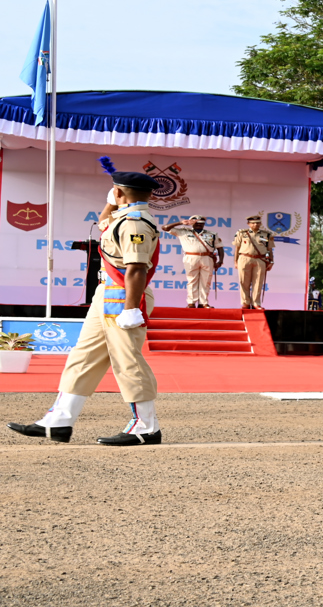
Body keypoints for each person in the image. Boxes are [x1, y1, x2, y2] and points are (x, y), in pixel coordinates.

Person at [8, 163, 164, 446]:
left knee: (127, 360)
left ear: (119, 192)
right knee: (84, 356)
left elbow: (136, 269)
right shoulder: (123, 218)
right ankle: (59, 421)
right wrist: (110, 202)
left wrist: (130, 309)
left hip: (123, 296)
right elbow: (105, 224)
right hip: (107, 294)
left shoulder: (135, 224)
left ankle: (147, 426)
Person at [164, 214, 222, 308]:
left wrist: (220, 261)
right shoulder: (183, 231)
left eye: (201, 223)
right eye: (196, 222)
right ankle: (191, 302)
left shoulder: (212, 234)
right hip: (191, 257)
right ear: (191, 223)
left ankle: (203, 303)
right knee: (192, 280)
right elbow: (165, 228)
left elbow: (220, 247)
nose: (199, 224)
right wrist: (180, 223)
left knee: (206, 281)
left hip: (207, 258)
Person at [233, 215, 274, 309]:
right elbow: (237, 248)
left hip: (260, 259)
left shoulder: (266, 234)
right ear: (248, 224)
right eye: (253, 223)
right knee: (244, 281)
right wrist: (235, 261)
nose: (255, 224)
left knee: (258, 281)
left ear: (260, 223)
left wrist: (271, 261)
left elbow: (269, 249)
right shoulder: (241, 233)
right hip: (244, 258)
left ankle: (256, 303)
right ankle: (246, 303)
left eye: (258, 222)